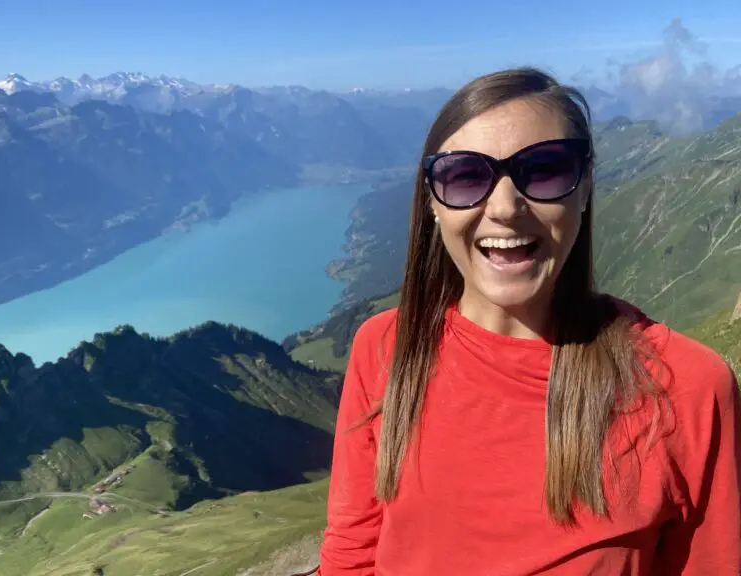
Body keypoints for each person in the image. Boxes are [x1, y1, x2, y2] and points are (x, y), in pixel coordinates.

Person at [315, 67, 741, 575]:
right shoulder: (386, 348)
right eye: (465, 176)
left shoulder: (688, 391)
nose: (504, 207)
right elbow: (352, 553)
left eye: (544, 171)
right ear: (431, 201)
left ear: (585, 189)